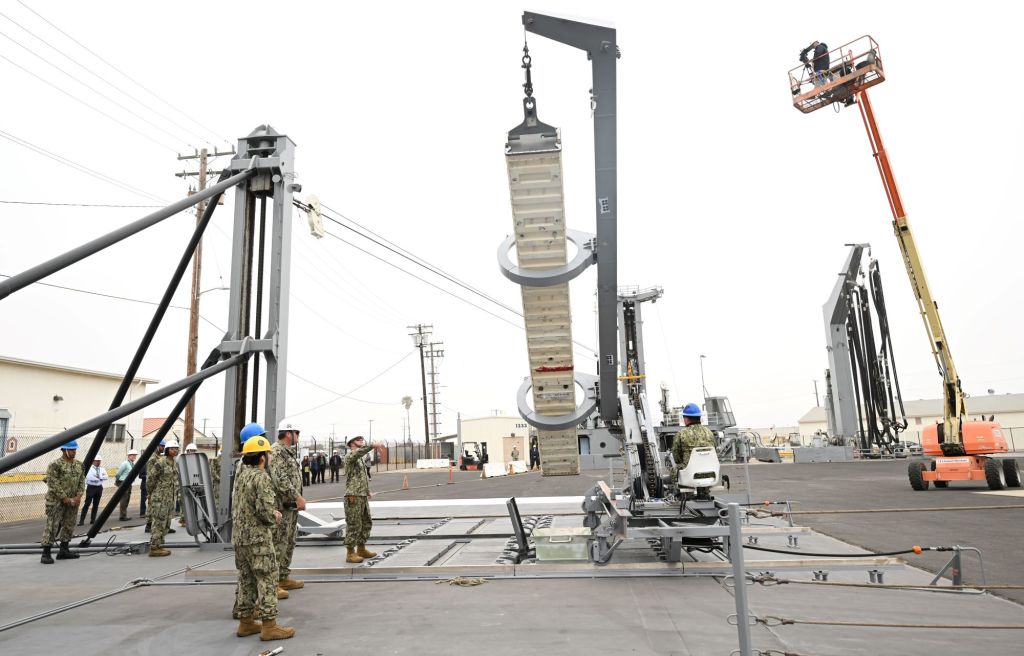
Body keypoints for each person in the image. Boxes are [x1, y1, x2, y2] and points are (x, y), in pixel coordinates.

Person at [231, 435, 295, 641]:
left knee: (246, 580)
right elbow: (266, 512)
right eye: (267, 453)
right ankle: (270, 626)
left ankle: (246, 622)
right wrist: (275, 515)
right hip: (258, 539)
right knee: (267, 579)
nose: (269, 456)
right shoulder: (261, 477)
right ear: (262, 457)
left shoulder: (242, 475)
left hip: (240, 539)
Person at [270, 421, 306, 597]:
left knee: (289, 541)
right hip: (281, 507)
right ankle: (272, 583)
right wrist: (296, 496)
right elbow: (280, 479)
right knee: (278, 543)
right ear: (288, 433)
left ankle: (283, 577)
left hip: (289, 506)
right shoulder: (276, 452)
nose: (298, 436)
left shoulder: (288, 452)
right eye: (296, 432)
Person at [40, 440, 85, 564]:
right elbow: (53, 483)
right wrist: (64, 498)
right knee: (52, 526)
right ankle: (46, 553)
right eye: (71, 450)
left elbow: (82, 481)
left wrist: (79, 496)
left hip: (73, 501)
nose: (74, 452)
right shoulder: (55, 465)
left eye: (75, 450)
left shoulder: (79, 465)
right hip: (56, 501)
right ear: (64, 450)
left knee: (69, 524)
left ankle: (64, 550)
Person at [343, 435, 377, 563]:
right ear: (351, 443)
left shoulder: (360, 459)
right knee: (354, 524)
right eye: (358, 440)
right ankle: (350, 553)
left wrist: (367, 491)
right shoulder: (350, 456)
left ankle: (361, 548)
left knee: (366, 522)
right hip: (353, 495)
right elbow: (357, 454)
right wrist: (371, 446)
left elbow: (361, 477)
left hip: (361, 495)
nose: (361, 442)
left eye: (362, 440)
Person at [146, 439, 180, 557]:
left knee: (166, 523)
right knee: (158, 522)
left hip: (169, 498)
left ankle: (159, 544)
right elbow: (151, 479)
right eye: (172, 449)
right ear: (167, 450)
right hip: (160, 497)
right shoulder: (160, 462)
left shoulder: (174, 463)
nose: (175, 450)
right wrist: (150, 494)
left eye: (176, 448)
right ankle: (154, 547)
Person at [671, 403, 716, 481]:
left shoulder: (681, 434)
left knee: (674, 469)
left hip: (690, 473)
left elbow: (677, 458)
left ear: (686, 419)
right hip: (710, 472)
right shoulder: (709, 433)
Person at [78, 455, 108, 526]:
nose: (98, 462)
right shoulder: (89, 469)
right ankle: (81, 521)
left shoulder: (102, 469)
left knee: (96, 504)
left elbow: (106, 476)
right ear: (93, 461)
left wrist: (99, 477)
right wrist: (101, 478)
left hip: (99, 487)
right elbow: (90, 477)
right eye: (97, 461)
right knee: (87, 503)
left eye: (99, 461)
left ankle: (93, 520)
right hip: (91, 487)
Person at [143, 440, 166, 530]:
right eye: (161, 446)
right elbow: (150, 474)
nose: (163, 448)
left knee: (159, 506)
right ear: (157, 446)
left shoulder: (161, 457)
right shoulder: (153, 458)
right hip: (154, 485)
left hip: (161, 485)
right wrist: (150, 489)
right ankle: (148, 525)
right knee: (152, 505)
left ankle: (161, 525)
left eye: (164, 446)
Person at [115, 449, 139, 521]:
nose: (134, 456)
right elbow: (118, 473)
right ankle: (122, 516)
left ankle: (124, 514)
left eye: (135, 455)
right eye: (133, 455)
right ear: (129, 456)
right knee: (124, 498)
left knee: (127, 498)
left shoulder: (132, 464)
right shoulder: (125, 463)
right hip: (123, 482)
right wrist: (117, 481)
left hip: (129, 483)